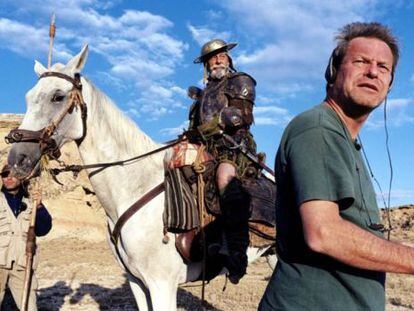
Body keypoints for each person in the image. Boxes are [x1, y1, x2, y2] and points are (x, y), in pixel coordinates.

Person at [259, 22, 414, 310]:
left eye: (383, 67)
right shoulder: (317, 129)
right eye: (361, 61)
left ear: (390, 84)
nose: (372, 71)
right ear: (333, 71)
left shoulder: (345, 140)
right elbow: (324, 233)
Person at [187, 39, 258, 284]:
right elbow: (194, 127)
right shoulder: (203, 94)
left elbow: (241, 116)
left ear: (228, 59)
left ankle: (236, 252)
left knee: (224, 176)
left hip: (234, 146)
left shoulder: (240, 81)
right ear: (206, 64)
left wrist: (211, 127)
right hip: (207, 148)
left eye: (221, 56)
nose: (217, 60)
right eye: (212, 57)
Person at [0, 164, 52, 311]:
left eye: (13, 174)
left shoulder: (32, 203)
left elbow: (43, 229)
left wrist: (40, 207)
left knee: (30, 307)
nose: (8, 178)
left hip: (23, 263)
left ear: (22, 177)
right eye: (4, 174)